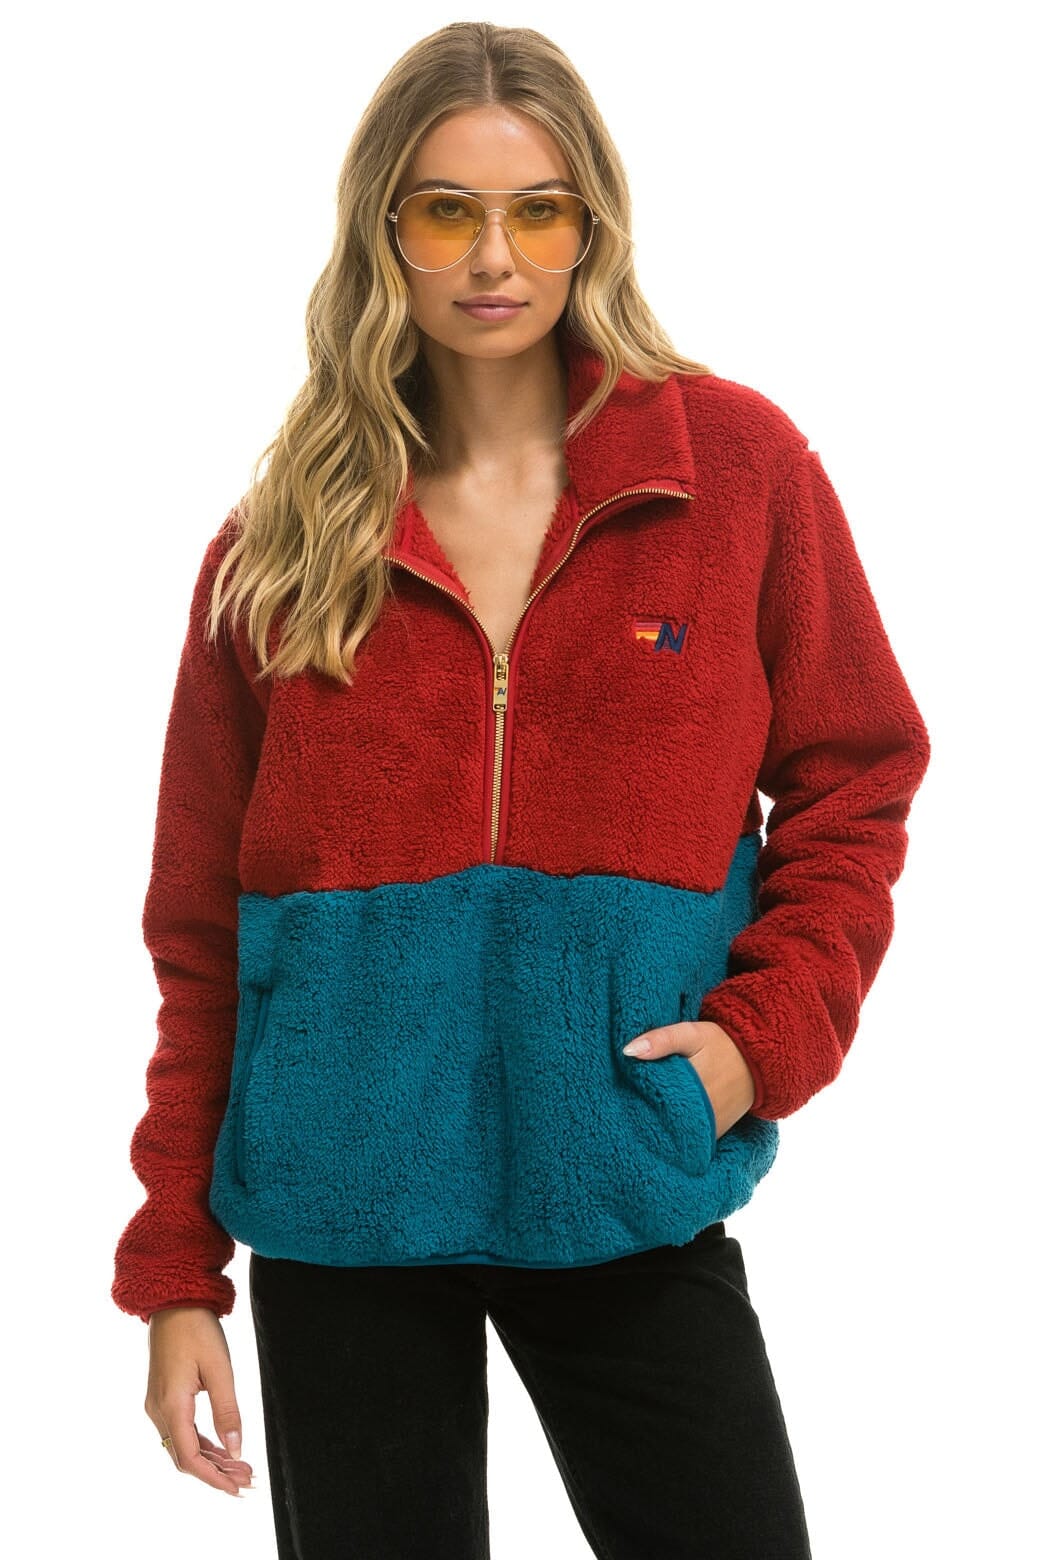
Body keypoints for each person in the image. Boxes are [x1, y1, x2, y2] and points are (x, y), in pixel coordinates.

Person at [111, 20, 931, 1559]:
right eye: (447, 210)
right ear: (384, 231)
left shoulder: (733, 471)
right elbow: (201, 933)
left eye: (537, 210)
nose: (494, 256)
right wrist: (175, 1270)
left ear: (589, 227)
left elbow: (858, 774)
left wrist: (757, 1046)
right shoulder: (279, 548)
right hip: (342, 1208)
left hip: (622, 1167)